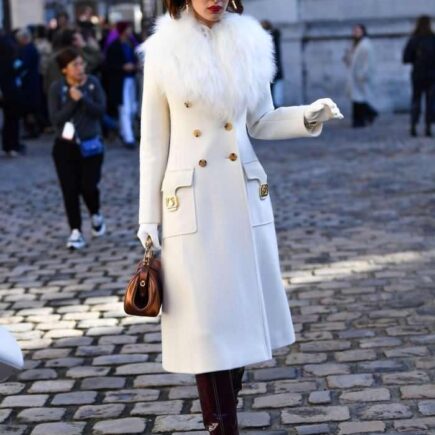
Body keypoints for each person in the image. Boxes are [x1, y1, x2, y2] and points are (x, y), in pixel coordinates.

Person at [136, 0, 343, 433]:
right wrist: (148, 218)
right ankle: (222, 427)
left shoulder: (250, 40)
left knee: (241, 322)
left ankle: (223, 416)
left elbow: (261, 121)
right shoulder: (162, 49)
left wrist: (308, 115)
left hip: (243, 197)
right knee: (207, 327)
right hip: (191, 205)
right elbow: (154, 142)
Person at [48, 48, 106, 250]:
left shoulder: (92, 83)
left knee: (88, 186)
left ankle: (96, 214)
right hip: (65, 146)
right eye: (75, 65)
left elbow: (100, 110)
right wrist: (72, 101)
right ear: (65, 70)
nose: (80, 68)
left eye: (82, 63)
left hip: (91, 145)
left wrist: (82, 98)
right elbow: (55, 119)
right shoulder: (57, 88)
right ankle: (76, 231)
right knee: (69, 190)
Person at [105, 22, 138, 149]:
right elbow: (109, 65)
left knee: (132, 109)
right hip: (120, 81)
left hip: (130, 79)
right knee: (124, 109)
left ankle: (125, 133)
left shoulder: (129, 45)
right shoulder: (114, 47)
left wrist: (134, 67)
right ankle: (128, 137)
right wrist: (122, 67)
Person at [403, 16, 435, 137]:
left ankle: (413, 125)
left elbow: (406, 58)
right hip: (432, 75)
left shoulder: (414, 39)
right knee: (430, 101)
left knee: (416, 100)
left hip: (418, 74)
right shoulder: (433, 39)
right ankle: (428, 127)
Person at [344, 24, 378, 128]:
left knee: (359, 99)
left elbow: (369, 62)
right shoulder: (355, 45)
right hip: (355, 76)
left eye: (358, 31)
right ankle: (365, 117)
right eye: (355, 31)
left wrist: (364, 74)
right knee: (357, 99)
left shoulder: (365, 45)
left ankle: (361, 119)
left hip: (360, 76)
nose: (356, 33)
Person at [0, 35, 25, 157]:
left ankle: (7, 145)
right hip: (11, 91)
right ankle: (12, 145)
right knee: (13, 120)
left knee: (8, 120)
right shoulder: (10, 61)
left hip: (7, 91)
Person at [16, 28, 42, 139]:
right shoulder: (30, 48)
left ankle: (33, 130)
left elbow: (24, 64)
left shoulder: (29, 49)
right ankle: (33, 129)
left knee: (29, 108)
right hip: (31, 81)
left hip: (29, 82)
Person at [261, 20, 284, 107]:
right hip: (273, 74)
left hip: (273, 74)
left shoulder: (271, 38)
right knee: (274, 100)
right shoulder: (274, 38)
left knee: (274, 100)